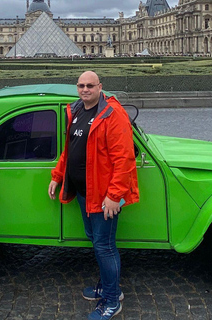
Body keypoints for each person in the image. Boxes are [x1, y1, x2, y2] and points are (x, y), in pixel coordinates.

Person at [48, 71, 139, 320]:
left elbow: (125, 158)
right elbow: (70, 150)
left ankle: (111, 300)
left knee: (105, 246)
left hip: (102, 196)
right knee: (98, 242)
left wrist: (114, 195)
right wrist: (57, 175)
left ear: (100, 87)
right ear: (77, 88)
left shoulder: (112, 113)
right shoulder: (76, 111)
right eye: (81, 85)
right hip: (83, 193)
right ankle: (108, 287)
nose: (85, 89)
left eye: (90, 85)